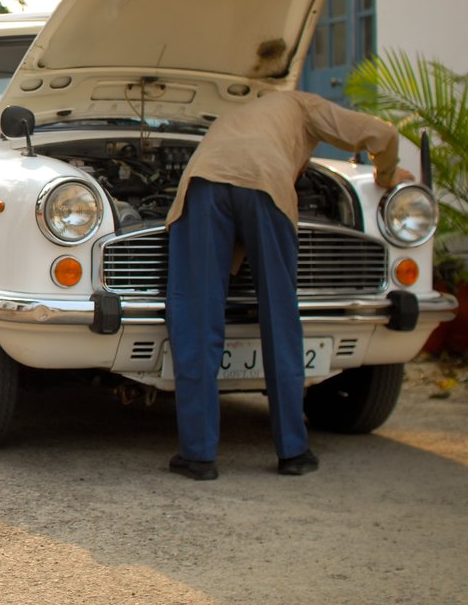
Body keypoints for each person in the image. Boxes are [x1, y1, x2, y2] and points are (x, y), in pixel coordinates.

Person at [164, 91, 414, 480]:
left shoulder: (234, 116)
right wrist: (386, 174)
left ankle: (198, 456)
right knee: (280, 315)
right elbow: (379, 134)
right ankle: (293, 452)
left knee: (197, 319)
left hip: (204, 182)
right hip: (267, 185)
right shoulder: (302, 104)